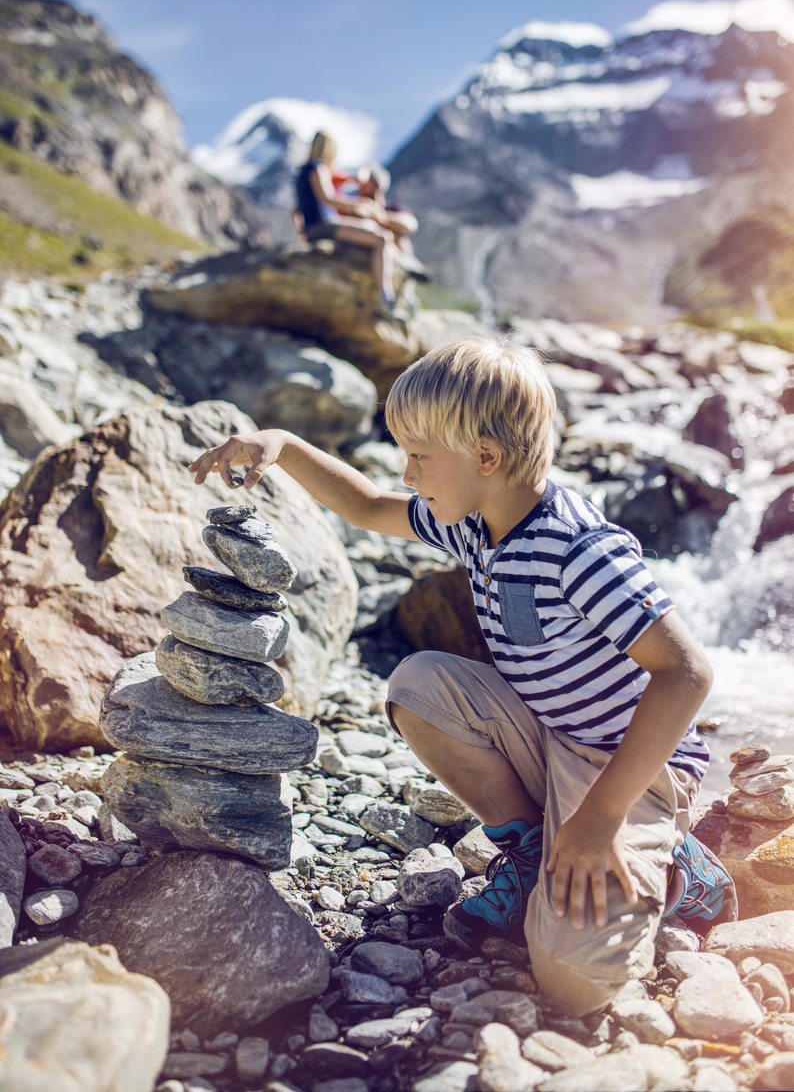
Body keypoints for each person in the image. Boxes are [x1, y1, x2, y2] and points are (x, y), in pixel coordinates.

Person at [187, 337, 737, 1016]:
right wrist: (284, 446)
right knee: (418, 685)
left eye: (419, 456)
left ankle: (682, 869)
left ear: (486, 458)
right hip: (552, 731)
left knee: (575, 981)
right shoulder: (476, 521)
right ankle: (534, 853)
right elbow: (366, 506)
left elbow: (687, 671)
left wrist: (598, 818)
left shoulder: (576, 549)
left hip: (630, 768)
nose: (408, 472)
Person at [295, 130, 398, 307]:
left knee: (372, 229)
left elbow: (296, 210)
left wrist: (301, 232)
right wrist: (359, 204)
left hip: (316, 226)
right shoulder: (318, 168)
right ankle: (385, 295)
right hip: (323, 225)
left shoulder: (303, 172)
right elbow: (327, 198)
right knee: (381, 238)